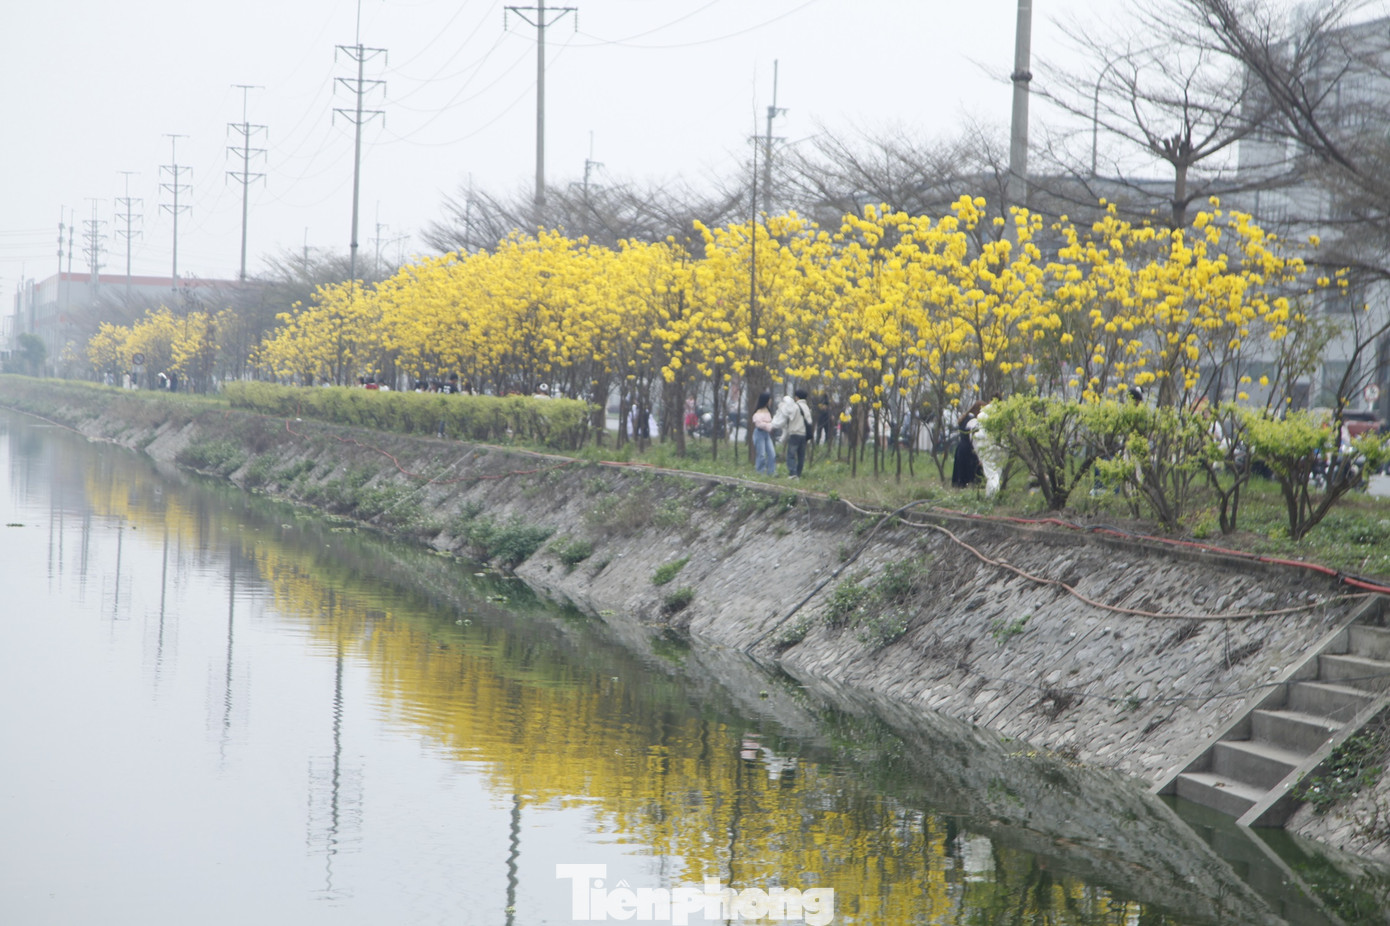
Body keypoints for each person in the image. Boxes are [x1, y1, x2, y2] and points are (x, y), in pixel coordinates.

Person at [777, 388, 813, 478]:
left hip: (795, 434)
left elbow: (788, 416)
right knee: (801, 456)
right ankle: (798, 474)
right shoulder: (807, 408)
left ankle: (793, 474)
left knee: (791, 455)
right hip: (804, 435)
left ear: (796, 397)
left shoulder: (795, 407)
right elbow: (809, 421)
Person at [952, 402, 985, 488]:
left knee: (961, 475)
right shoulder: (973, 421)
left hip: (961, 448)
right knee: (973, 474)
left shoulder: (964, 418)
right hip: (969, 449)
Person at [752, 391, 776, 476]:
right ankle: (760, 472)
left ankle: (771, 472)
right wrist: (769, 425)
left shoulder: (768, 411)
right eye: (769, 399)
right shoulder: (758, 412)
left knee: (772, 453)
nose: (770, 401)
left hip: (766, 434)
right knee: (761, 455)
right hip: (759, 434)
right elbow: (758, 424)